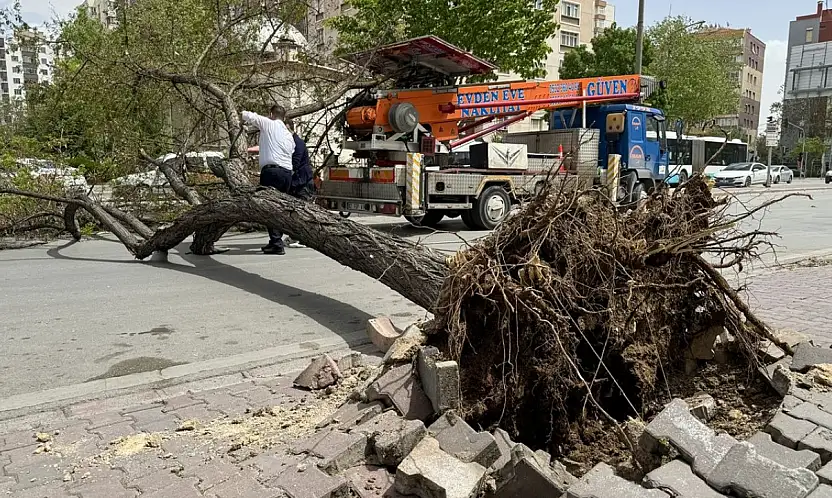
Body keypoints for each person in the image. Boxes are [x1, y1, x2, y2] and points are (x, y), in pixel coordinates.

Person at [242, 104, 295, 255]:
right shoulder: (288, 135)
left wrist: (240, 117)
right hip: (286, 174)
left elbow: (248, 115)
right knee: (279, 208)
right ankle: (275, 240)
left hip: (271, 172)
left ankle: (277, 244)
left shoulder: (269, 124)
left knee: (269, 208)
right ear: (284, 117)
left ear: (271, 114)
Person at [284, 120, 315, 248]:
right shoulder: (291, 142)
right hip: (298, 182)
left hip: (303, 182)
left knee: (302, 212)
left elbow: (294, 163)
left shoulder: (298, 143)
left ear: (290, 129)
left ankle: (303, 238)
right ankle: (296, 236)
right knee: (296, 211)